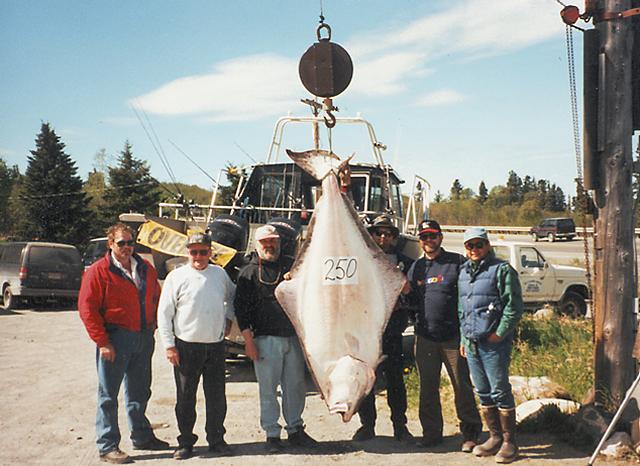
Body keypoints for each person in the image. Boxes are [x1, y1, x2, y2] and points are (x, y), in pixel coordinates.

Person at [78, 223, 169, 464]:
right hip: (115, 339)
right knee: (108, 395)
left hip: (143, 337)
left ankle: (141, 436)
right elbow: (87, 309)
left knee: (140, 391)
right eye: (121, 243)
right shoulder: (98, 271)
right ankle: (107, 445)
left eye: (131, 243)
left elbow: (156, 297)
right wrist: (102, 342)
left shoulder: (145, 268)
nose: (127, 247)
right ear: (110, 244)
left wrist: (154, 323)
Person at [234, 225, 318, 453]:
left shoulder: (292, 265)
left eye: (273, 241)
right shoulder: (248, 272)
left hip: (293, 338)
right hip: (264, 339)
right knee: (268, 390)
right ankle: (272, 434)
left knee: (295, 387)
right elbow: (241, 310)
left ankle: (295, 429)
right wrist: (248, 341)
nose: (269, 245)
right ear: (256, 244)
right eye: (265, 242)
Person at [157, 232, 236, 460]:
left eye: (203, 251)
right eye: (194, 252)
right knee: (185, 398)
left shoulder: (219, 274)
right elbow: (164, 314)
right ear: (187, 252)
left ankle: (217, 439)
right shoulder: (176, 276)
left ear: (210, 252)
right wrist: (169, 346)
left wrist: (228, 317)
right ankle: (185, 442)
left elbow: (232, 296)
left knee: (217, 397)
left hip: (216, 346)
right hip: (186, 347)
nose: (198, 256)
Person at [406, 220, 482, 451]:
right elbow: (411, 302)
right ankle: (431, 434)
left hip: (453, 338)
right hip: (425, 337)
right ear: (419, 241)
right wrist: (405, 293)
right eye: (424, 237)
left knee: (462, 386)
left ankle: (470, 433)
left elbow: (470, 297)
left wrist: (467, 334)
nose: (429, 241)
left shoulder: (457, 262)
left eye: (433, 236)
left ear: (441, 238)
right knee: (428, 389)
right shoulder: (416, 268)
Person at [458, 227, 524, 464]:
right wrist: (464, 338)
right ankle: (494, 437)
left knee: (499, 390)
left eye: (478, 244)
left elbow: (514, 306)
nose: (474, 250)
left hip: (494, 344)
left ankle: (509, 442)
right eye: (469, 245)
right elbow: (462, 309)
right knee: (483, 391)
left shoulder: (502, 270)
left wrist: (500, 333)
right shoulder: (464, 272)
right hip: (473, 343)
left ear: (487, 245)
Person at [352, 214, 414, 442]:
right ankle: (367, 425)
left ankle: (400, 426)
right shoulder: (360, 260)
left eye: (388, 233)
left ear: (395, 237)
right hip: (366, 330)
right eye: (378, 232)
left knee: (396, 379)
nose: (383, 237)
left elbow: (412, 295)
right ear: (372, 235)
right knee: (367, 380)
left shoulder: (406, 261)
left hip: (392, 331)